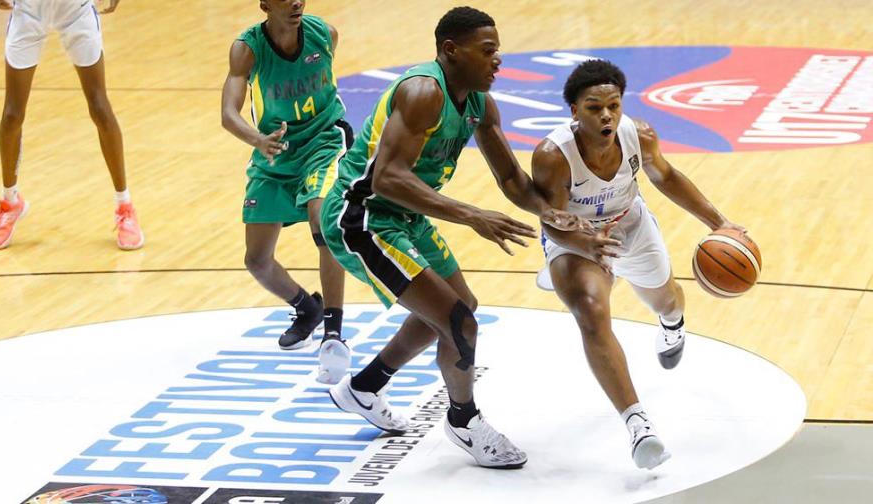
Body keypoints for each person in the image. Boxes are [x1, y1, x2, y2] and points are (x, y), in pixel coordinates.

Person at [319, 6, 584, 469]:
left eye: (497, 49)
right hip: (360, 216)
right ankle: (464, 420)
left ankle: (364, 386)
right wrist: (471, 215)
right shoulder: (423, 92)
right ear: (450, 50)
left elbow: (512, 181)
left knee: (459, 308)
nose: (498, 59)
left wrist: (554, 215)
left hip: (406, 214)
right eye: (488, 51)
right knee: (459, 322)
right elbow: (387, 178)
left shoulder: (480, 101)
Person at [532, 59, 747, 469]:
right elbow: (553, 223)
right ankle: (638, 425)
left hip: (629, 222)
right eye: (594, 107)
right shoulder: (551, 157)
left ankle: (672, 324)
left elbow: (666, 177)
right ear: (574, 112)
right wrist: (584, 242)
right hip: (575, 241)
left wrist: (720, 223)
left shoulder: (639, 135)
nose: (607, 114)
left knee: (668, 301)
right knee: (592, 312)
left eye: (614, 104)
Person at [221, 0, 353, 384]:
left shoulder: (323, 34)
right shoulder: (247, 48)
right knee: (257, 261)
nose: (296, 2)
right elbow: (229, 114)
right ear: (265, 4)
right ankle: (305, 307)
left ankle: (333, 333)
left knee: (322, 219)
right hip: (274, 150)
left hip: (325, 142)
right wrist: (257, 139)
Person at [0, 0, 143, 251]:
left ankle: (125, 207)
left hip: (75, 9)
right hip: (29, 9)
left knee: (100, 108)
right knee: (12, 116)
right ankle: (10, 202)